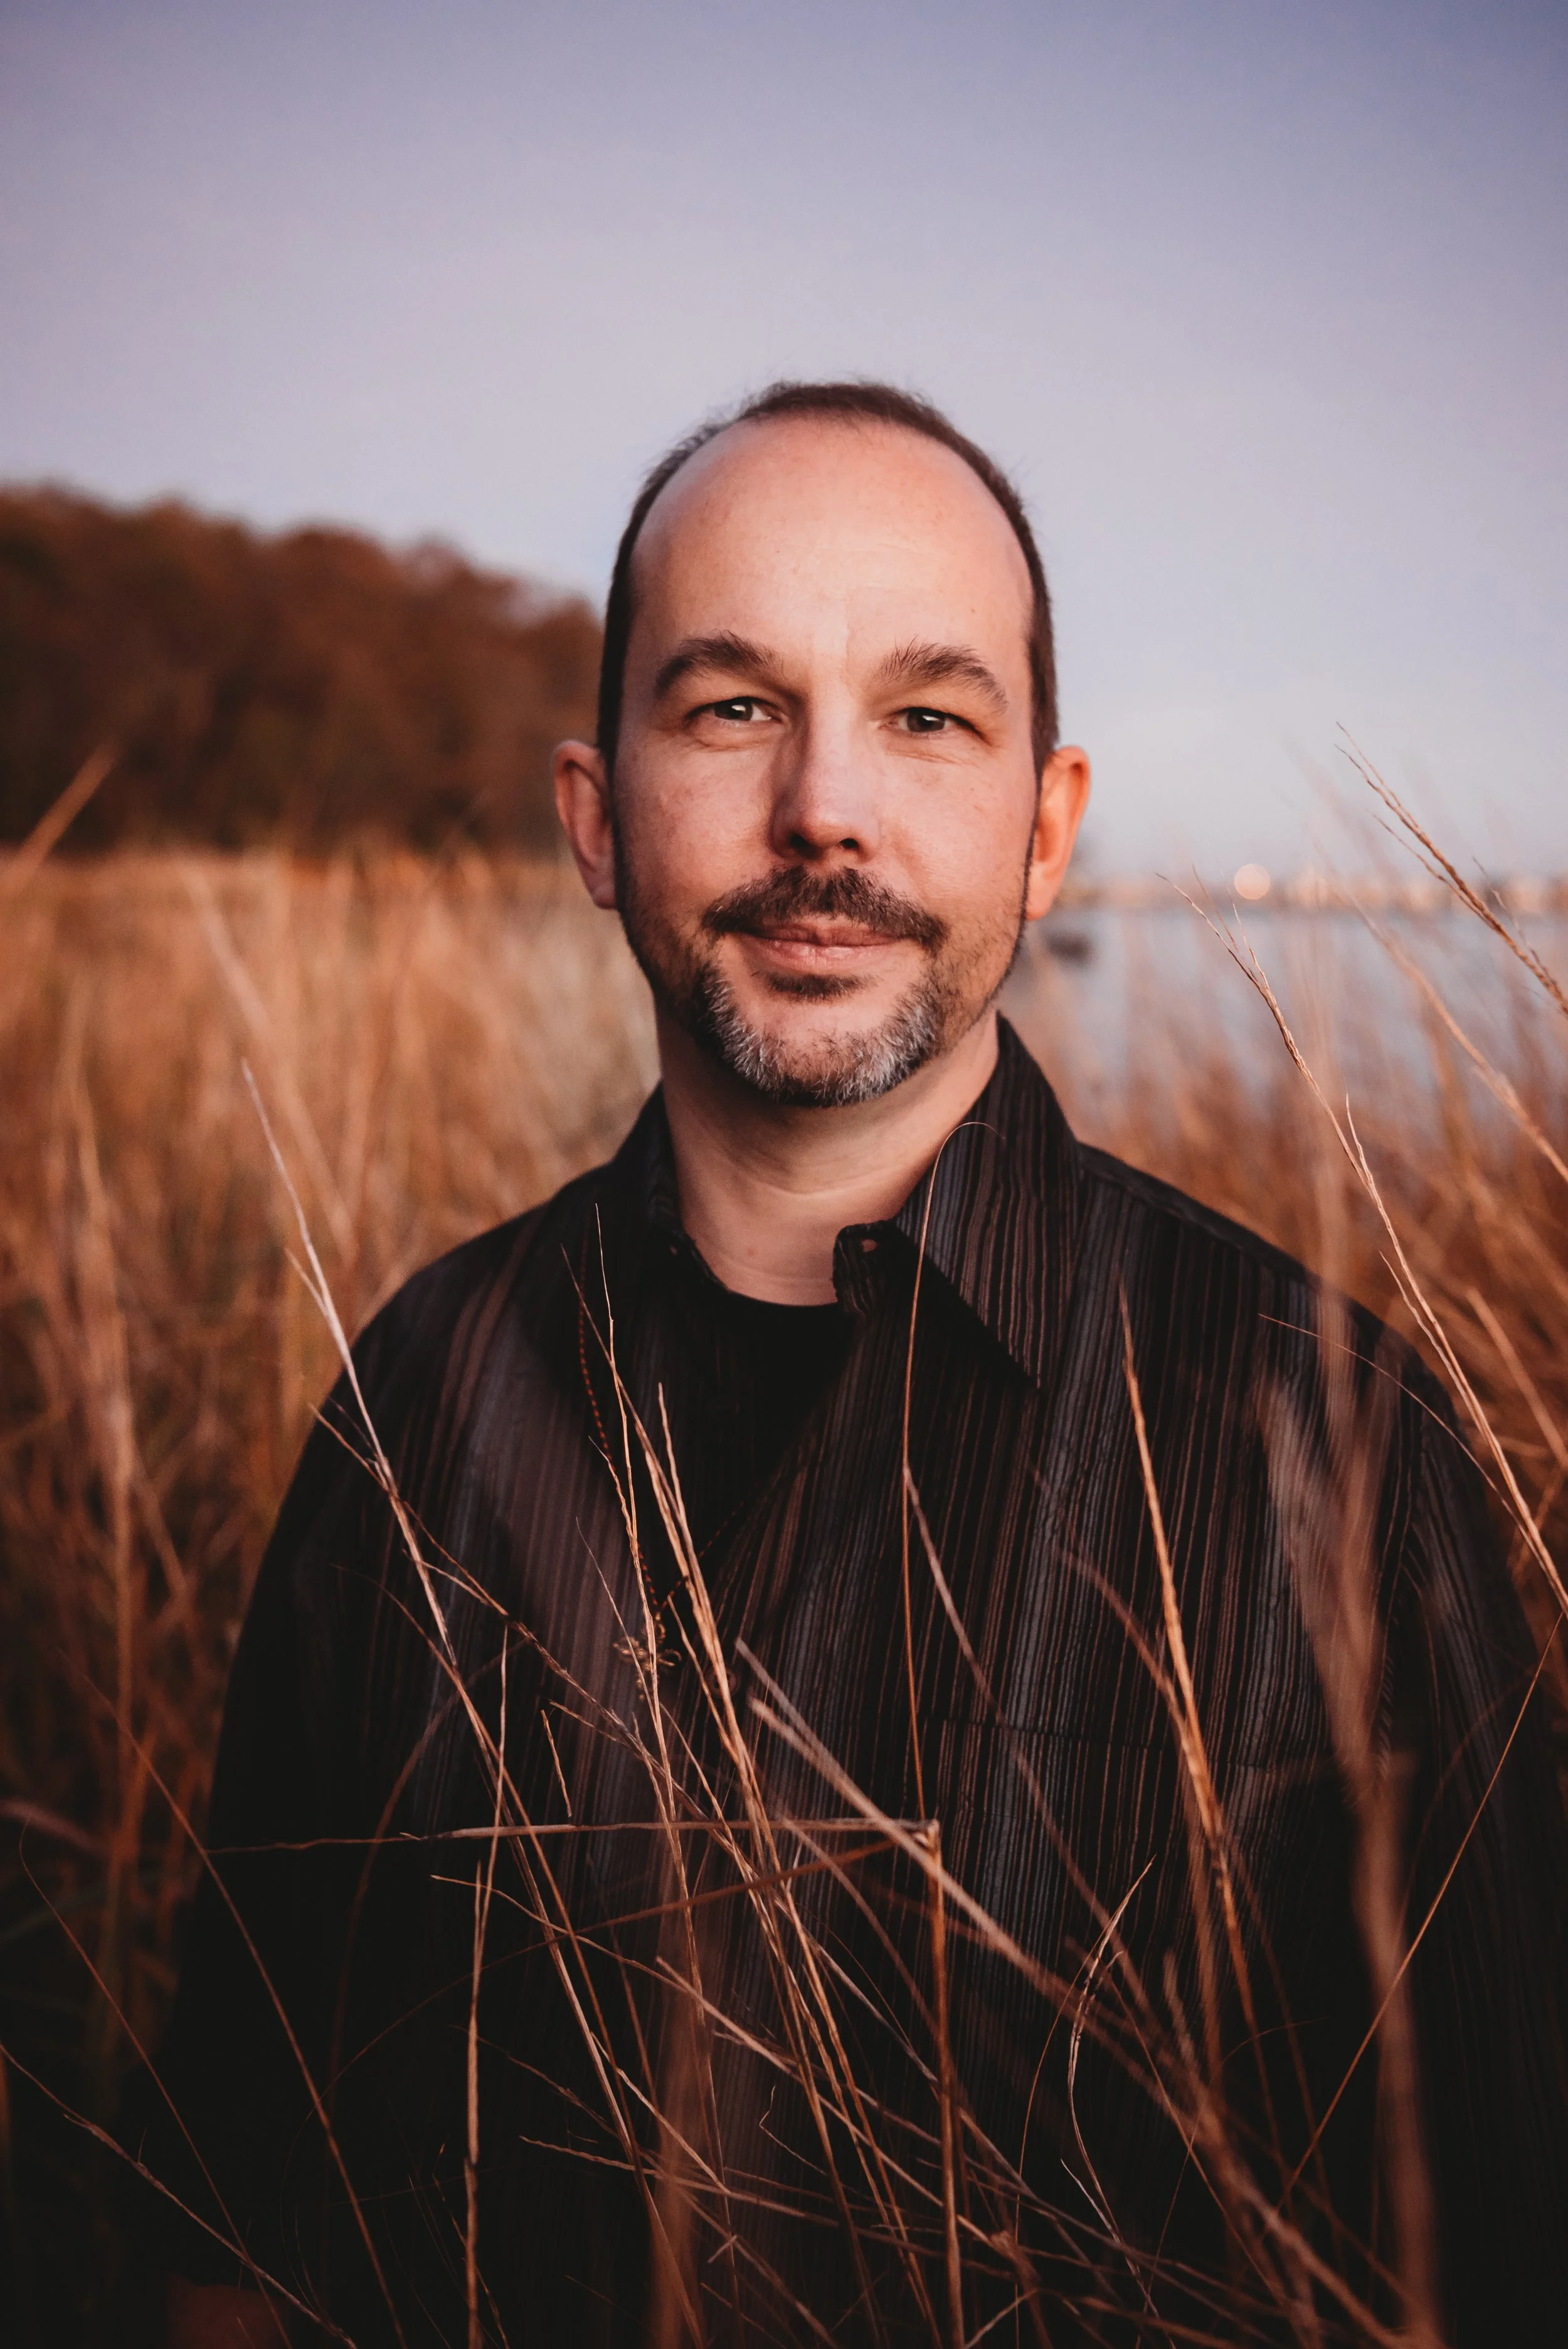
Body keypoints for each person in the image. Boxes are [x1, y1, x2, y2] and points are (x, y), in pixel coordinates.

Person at [130, 383, 1567, 2348]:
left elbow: (1494, 2243)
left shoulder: (1333, 1447)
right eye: (729, 706)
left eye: (923, 715)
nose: (824, 806)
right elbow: (246, 2194)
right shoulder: (419, 1399)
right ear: (594, 816)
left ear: (1042, 828)